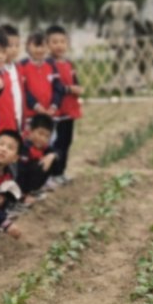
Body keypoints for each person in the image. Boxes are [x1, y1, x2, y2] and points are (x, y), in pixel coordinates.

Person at [46, 24, 83, 185]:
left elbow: (76, 83)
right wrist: (70, 89)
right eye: (54, 42)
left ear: (67, 43)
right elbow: (56, 87)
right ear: (47, 45)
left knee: (67, 142)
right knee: (55, 143)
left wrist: (78, 89)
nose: (59, 45)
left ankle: (61, 171)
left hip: (69, 110)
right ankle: (52, 174)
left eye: (62, 41)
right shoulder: (48, 65)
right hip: (56, 112)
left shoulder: (69, 64)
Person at [19, 31, 63, 124]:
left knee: (50, 138)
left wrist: (54, 106)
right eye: (36, 46)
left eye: (42, 46)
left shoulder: (51, 65)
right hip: (31, 116)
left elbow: (58, 87)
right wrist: (36, 106)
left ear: (47, 47)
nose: (39, 50)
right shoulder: (22, 66)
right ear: (28, 46)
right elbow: (23, 90)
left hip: (51, 115)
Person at [17, 114, 58, 200]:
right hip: (17, 183)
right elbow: (20, 173)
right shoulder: (25, 147)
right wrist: (23, 195)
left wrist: (52, 155)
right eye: (40, 133)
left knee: (54, 159)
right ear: (31, 131)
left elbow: (57, 152)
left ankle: (35, 190)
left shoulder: (44, 147)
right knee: (36, 165)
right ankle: (23, 194)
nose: (42, 138)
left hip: (30, 179)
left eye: (47, 136)